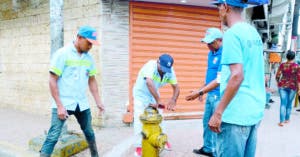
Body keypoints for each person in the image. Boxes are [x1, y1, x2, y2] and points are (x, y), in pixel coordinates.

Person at [209, 0, 266, 156]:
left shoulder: (232, 34)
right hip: (253, 112)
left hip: (235, 114)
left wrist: (218, 112)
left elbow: (237, 75)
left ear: (226, 7)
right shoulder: (253, 33)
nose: (218, 11)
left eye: (219, 6)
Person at [40, 26, 104, 157]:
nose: (90, 46)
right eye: (89, 43)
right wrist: (59, 106)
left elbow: (92, 80)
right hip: (63, 103)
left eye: (92, 44)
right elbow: (52, 80)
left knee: (89, 133)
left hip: (81, 103)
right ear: (79, 38)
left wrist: (98, 102)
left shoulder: (89, 59)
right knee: (53, 136)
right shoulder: (62, 54)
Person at [133, 54, 180, 157]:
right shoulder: (150, 65)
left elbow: (176, 87)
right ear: (158, 61)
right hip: (141, 94)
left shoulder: (170, 70)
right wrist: (159, 100)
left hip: (154, 94)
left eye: (166, 69)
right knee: (139, 118)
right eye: (162, 68)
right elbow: (149, 83)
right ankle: (138, 146)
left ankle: (162, 140)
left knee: (160, 117)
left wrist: (173, 99)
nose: (164, 71)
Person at [185, 28, 223, 157]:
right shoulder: (211, 53)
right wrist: (200, 90)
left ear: (220, 40)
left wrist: (199, 93)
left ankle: (218, 153)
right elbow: (210, 76)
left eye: (211, 43)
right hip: (210, 94)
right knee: (207, 122)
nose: (208, 46)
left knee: (217, 125)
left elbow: (219, 80)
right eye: (206, 43)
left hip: (219, 96)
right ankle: (208, 149)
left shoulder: (225, 54)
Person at [275, 50, 300, 126]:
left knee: (283, 104)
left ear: (286, 57)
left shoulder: (282, 65)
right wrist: (299, 89)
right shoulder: (297, 66)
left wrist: (278, 82)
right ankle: (287, 119)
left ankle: (281, 121)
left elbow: (277, 75)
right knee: (289, 103)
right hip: (293, 86)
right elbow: (299, 79)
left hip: (282, 86)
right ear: (294, 57)